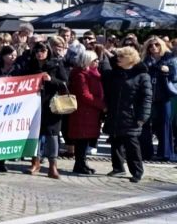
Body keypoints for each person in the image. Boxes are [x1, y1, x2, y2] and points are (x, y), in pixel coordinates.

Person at [104, 46, 152, 183]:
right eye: (118, 56)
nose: (118, 59)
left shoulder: (142, 75)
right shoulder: (116, 73)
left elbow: (147, 98)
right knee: (115, 141)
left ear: (130, 59)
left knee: (132, 144)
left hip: (132, 115)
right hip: (116, 113)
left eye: (121, 56)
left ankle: (137, 171)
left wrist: (143, 117)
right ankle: (118, 167)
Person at [23, 39, 69, 179]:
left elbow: (64, 83)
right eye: (36, 51)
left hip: (52, 105)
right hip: (34, 105)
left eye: (42, 50)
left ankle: (52, 166)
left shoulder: (56, 63)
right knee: (35, 134)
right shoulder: (30, 64)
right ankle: (35, 162)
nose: (39, 53)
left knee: (52, 135)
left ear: (48, 51)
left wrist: (51, 79)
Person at [68, 50, 105, 175]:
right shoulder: (81, 74)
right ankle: (80, 163)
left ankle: (82, 163)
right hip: (83, 111)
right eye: (94, 60)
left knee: (85, 139)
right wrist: (101, 105)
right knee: (82, 140)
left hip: (91, 111)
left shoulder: (94, 73)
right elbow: (84, 94)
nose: (97, 62)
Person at [140, 36, 177, 161]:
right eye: (151, 45)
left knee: (165, 123)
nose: (153, 47)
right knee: (145, 124)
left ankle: (165, 153)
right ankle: (145, 152)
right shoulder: (145, 60)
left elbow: (174, 75)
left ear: (161, 45)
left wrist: (168, 70)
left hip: (164, 95)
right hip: (148, 96)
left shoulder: (169, 58)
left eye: (156, 44)